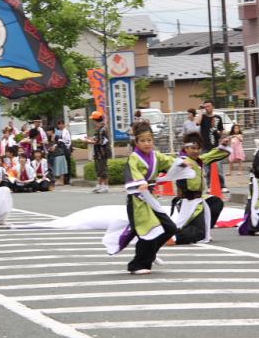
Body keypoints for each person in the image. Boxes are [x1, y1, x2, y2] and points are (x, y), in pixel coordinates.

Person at [102, 121, 178, 274]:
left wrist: (184, 163)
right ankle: (137, 265)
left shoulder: (156, 156)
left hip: (151, 198)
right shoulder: (134, 158)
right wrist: (140, 182)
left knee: (170, 228)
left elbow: (171, 162)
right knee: (148, 230)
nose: (147, 143)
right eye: (142, 140)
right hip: (137, 200)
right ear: (136, 142)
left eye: (149, 140)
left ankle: (150, 254)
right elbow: (132, 173)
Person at [165, 134, 231, 245]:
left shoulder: (199, 160)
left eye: (198, 148)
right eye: (193, 148)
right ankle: (175, 236)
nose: (196, 151)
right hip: (187, 202)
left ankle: (202, 228)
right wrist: (180, 165)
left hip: (199, 200)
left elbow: (213, 154)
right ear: (186, 148)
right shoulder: (182, 161)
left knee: (216, 202)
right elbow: (169, 163)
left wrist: (223, 145)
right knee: (198, 233)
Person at [197, 100, 228, 193]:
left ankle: (222, 186)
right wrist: (200, 111)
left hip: (215, 146)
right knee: (207, 168)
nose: (207, 108)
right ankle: (210, 186)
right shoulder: (202, 117)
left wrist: (220, 137)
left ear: (212, 107)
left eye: (208, 106)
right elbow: (197, 122)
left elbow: (221, 130)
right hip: (205, 146)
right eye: (205, 106)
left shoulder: (218, 118)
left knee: (218, 167)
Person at [87, 111, 111, 194]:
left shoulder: (102, 129)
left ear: (96, 120)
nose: (93, 122)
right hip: (98, 153)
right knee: (98, 170)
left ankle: (106, 186)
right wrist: (90, 138)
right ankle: (100, 185)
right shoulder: (99, 128)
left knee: (103, 170)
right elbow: (97, 139)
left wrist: (89, 141)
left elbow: (99, 141)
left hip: (102, 153)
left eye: (93, 120)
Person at [55, 120, 72, 185]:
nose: (61, 125)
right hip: (60, 150)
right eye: (59, 124)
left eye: (62, 124)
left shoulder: (66, 132)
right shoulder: (57, 132)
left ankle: (67, 180)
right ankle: (62, 180)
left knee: (67, 165)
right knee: (62, 165)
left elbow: (68, 141)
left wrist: (61, 141)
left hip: (66, 149)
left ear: (64, 124)